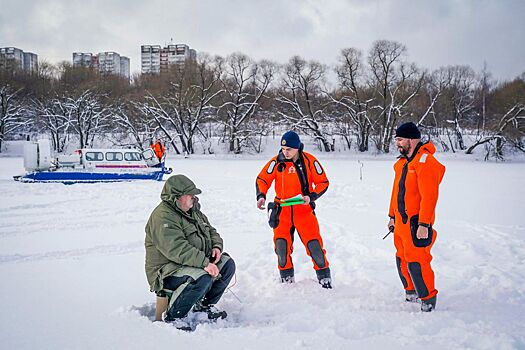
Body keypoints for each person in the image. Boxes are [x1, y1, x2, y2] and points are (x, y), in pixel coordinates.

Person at [145, 174, 236, 329]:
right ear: (177, 197)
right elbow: (177, 249)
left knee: (227, 264)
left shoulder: (192, 211)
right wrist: (204, 263)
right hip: (167, 270)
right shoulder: (163, 217)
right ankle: (173, 317)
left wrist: (216, 247)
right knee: (202, 276)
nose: (194, 198)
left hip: (190, 263)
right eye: (190, 195)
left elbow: (211, 231)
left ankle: (203, 307)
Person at [256, 131, 332, 288]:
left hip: (303, 211)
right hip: (281, 211)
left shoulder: (309, 161)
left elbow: (323, 182)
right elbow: (262, 178)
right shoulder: (276, 162)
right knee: (281, 247)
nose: (286, 152)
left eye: (289, 149)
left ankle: (324, 277)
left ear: (297, 148)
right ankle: (286, 279)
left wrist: (311, 196)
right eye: (283, 149)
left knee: (315, 246)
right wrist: (261, 195)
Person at [387, 122, 445, 312]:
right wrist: (392, 216)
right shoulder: (402, 163)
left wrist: (424, 224)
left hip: (416, 225)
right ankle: (410, 291)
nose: (397, 143)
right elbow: (395, 192)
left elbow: (430, 197)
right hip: (400, 224)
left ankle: (428, 298)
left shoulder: (426, 162)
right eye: (396, 139)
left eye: (400, 139)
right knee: (401, 259)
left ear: (412, 139)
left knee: (417, 261)